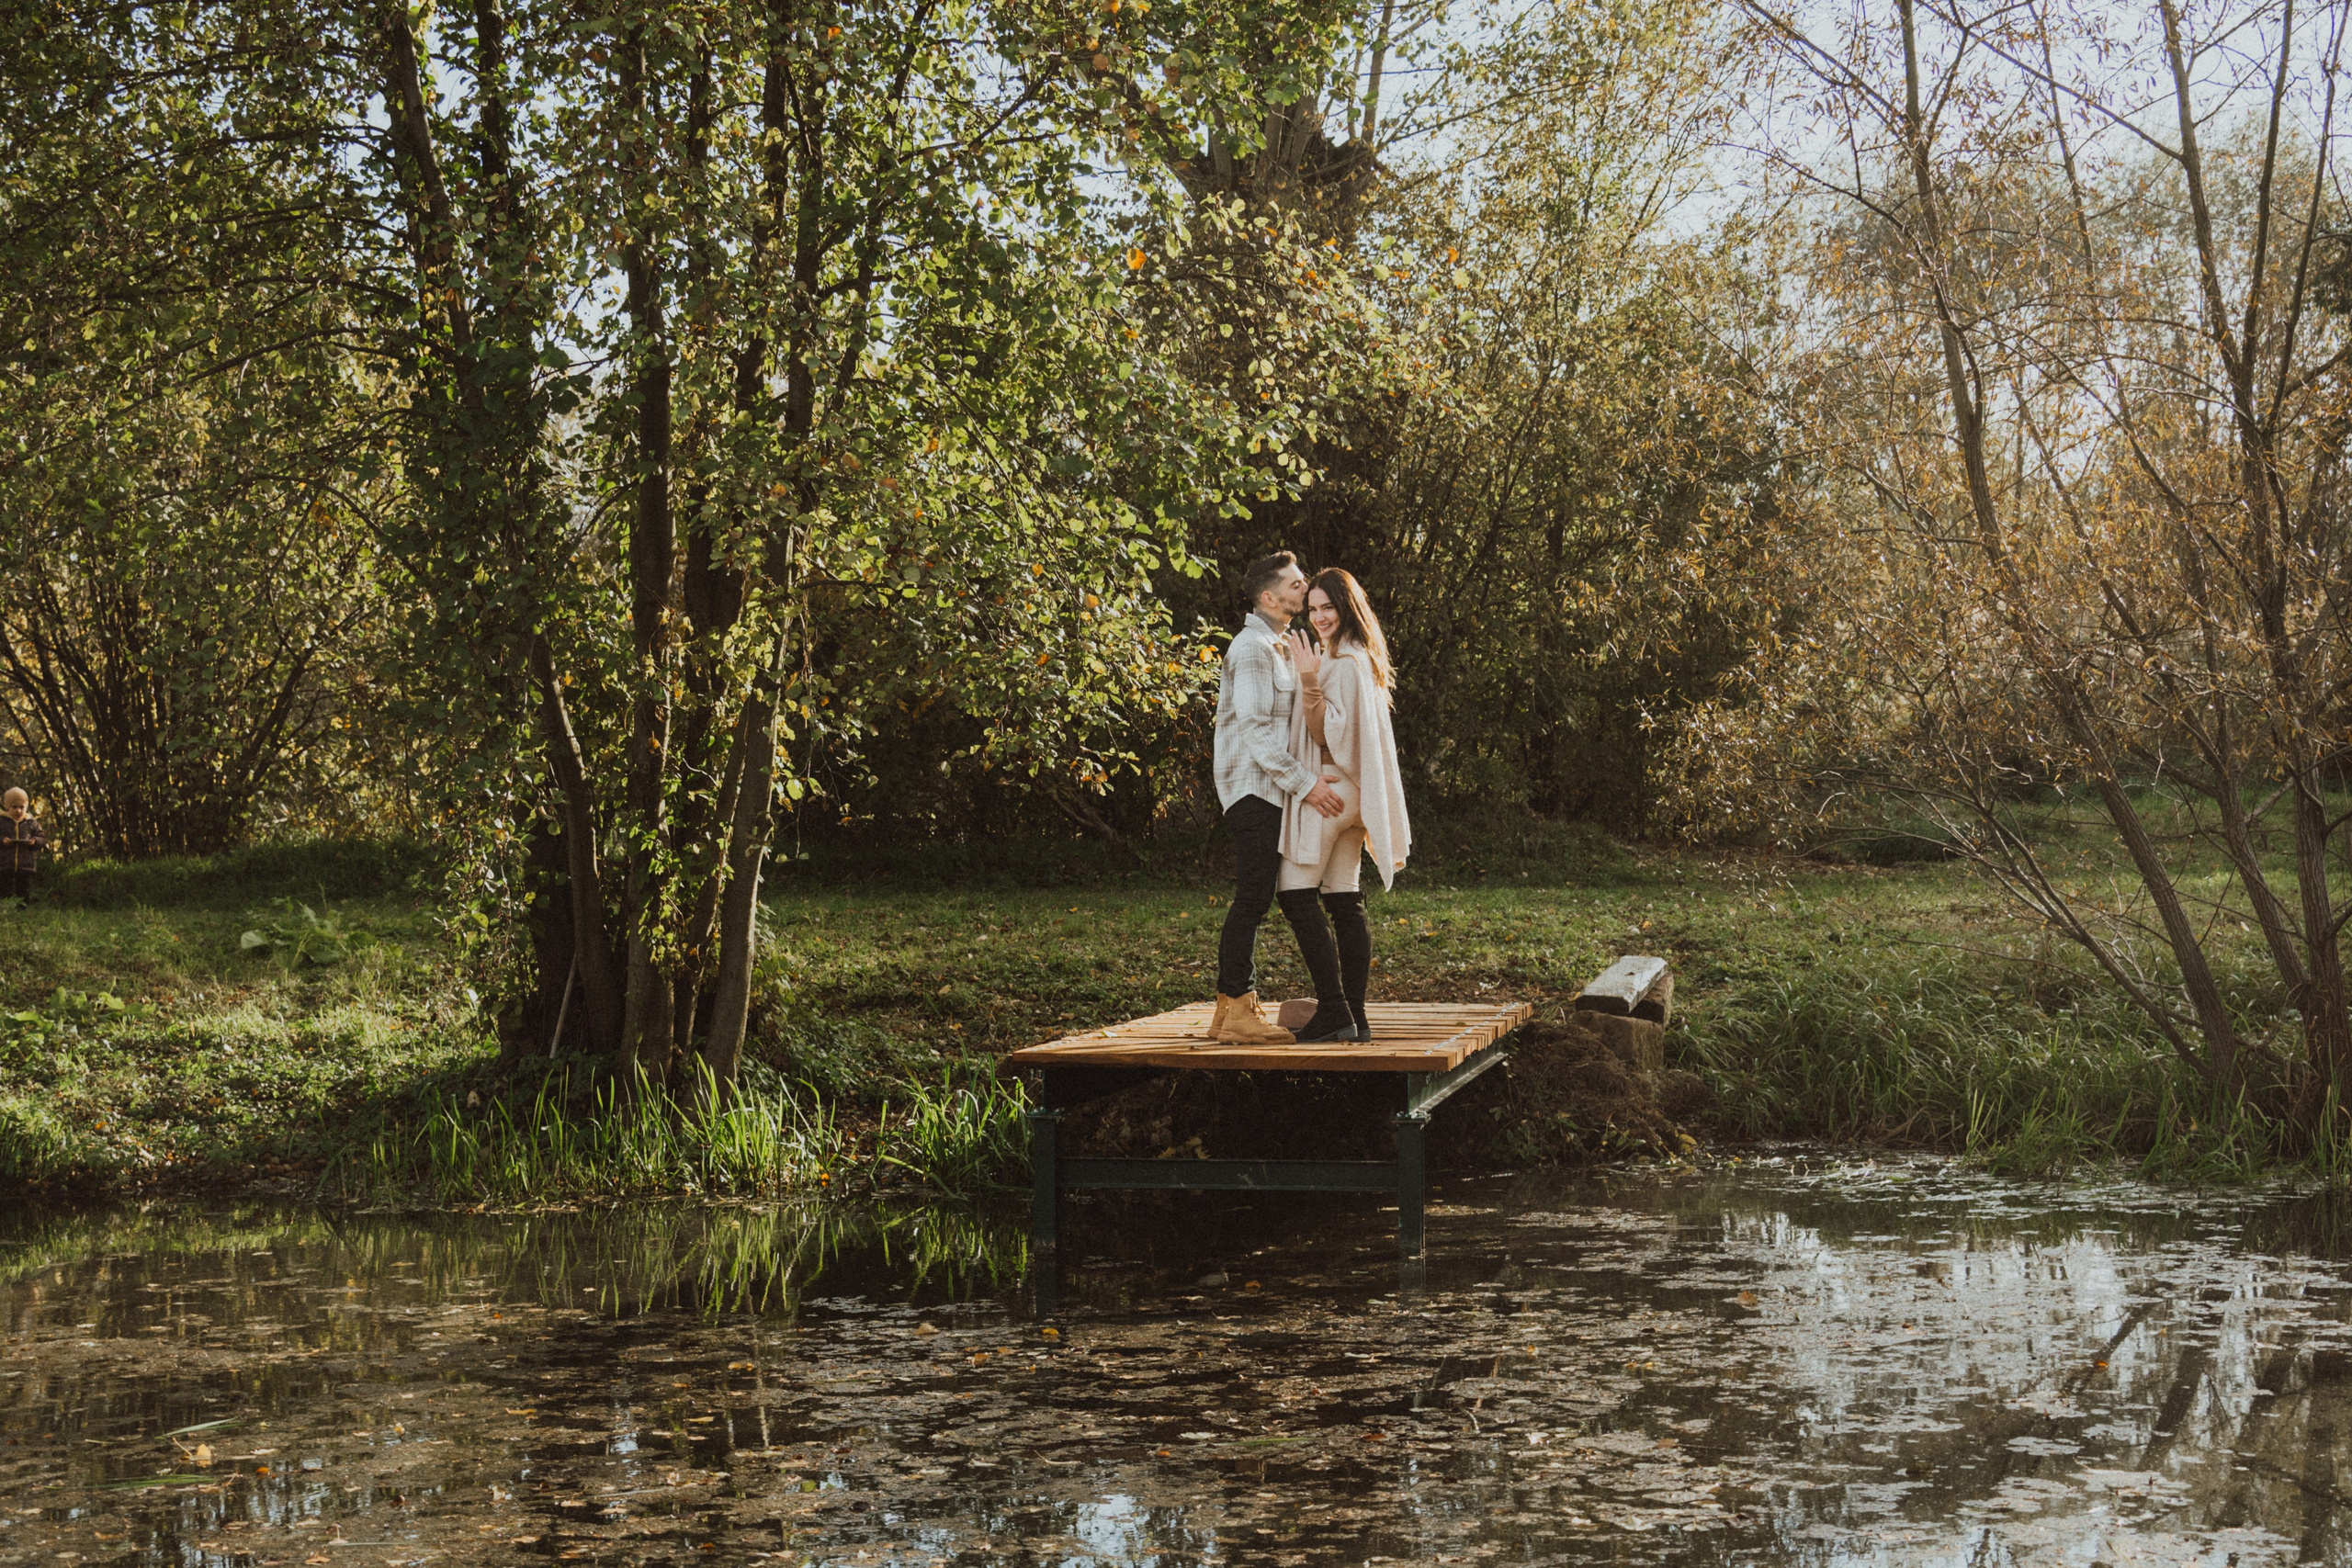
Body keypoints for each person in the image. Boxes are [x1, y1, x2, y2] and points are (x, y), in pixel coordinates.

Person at [1210, 551, 1347, 1043]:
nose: (1302, 588)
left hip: (1267, 788)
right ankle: (1239, 1005)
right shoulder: (1252, 648)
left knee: (1253, 896)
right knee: (1252, 897)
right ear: (1268, 597)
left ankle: (1228, 1013)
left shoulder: (1279, 644)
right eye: (1294, 584)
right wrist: (1305, 784)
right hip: (1254, 788)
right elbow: (1254, 730)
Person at [1281, 569, 1410, 1042]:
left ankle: (1336, 1008)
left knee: (1294, 894)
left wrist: (1309, 679)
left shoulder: (1343, 664)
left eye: (1327, 608)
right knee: (1343, 898)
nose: (1318, 617)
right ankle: (1355, 1017)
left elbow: (1324, 732)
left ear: (1346, 607)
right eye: (1312, 609)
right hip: (1359, 797)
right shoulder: (1363, 657)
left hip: (1336, 790)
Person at [0, 789, 44, 905]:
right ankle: (5, 908)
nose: (18, 811)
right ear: (7, 807)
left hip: (25, 864)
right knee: (4, 888)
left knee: (23, 888)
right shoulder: (2, 821)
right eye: (14, 807)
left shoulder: (31, 823)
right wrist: (2, 840)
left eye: (22, 807)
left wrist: (34, 842)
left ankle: (23, 908)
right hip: (4, 864)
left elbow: (42, 838)